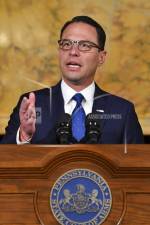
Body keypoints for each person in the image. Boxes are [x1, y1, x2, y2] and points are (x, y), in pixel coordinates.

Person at [1, 16, 144, 144]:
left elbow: (137, 167)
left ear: (101, 57)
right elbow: (5, 161)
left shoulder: (122, 111)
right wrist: (24, 136)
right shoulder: (34, 104)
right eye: (66, 44)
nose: (73, 52)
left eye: (84, 45)